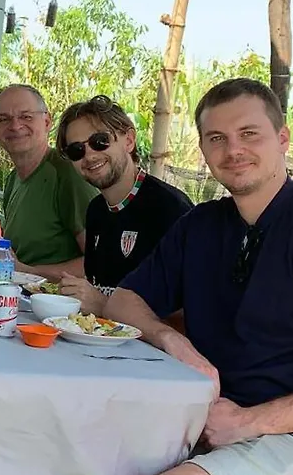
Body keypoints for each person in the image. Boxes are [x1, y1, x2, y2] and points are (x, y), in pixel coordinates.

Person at [102, 78, 293, 475]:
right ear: (203, 149)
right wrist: (171, 339)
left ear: (282, 138)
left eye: (249, 134)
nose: (233, 149)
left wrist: (247, 421)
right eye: (217, 138)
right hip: (207, 416)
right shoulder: (201, 226)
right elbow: (123, 299)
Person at [52, 95, 193, 313]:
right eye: (76, 150)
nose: (89, 156)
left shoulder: (172, 210)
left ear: (129, 140)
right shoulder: (96, 210)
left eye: (100, 141)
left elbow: (187, 315)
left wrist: (104, 305)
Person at [0, 84, 97, 281]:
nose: (15, 126)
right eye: (3, 119)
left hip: (55, 297)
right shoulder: (13, 178)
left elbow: (101, 261)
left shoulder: (68, 174)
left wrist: (29, 272)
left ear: (47, 121)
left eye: (26, 117)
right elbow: (18, 253)